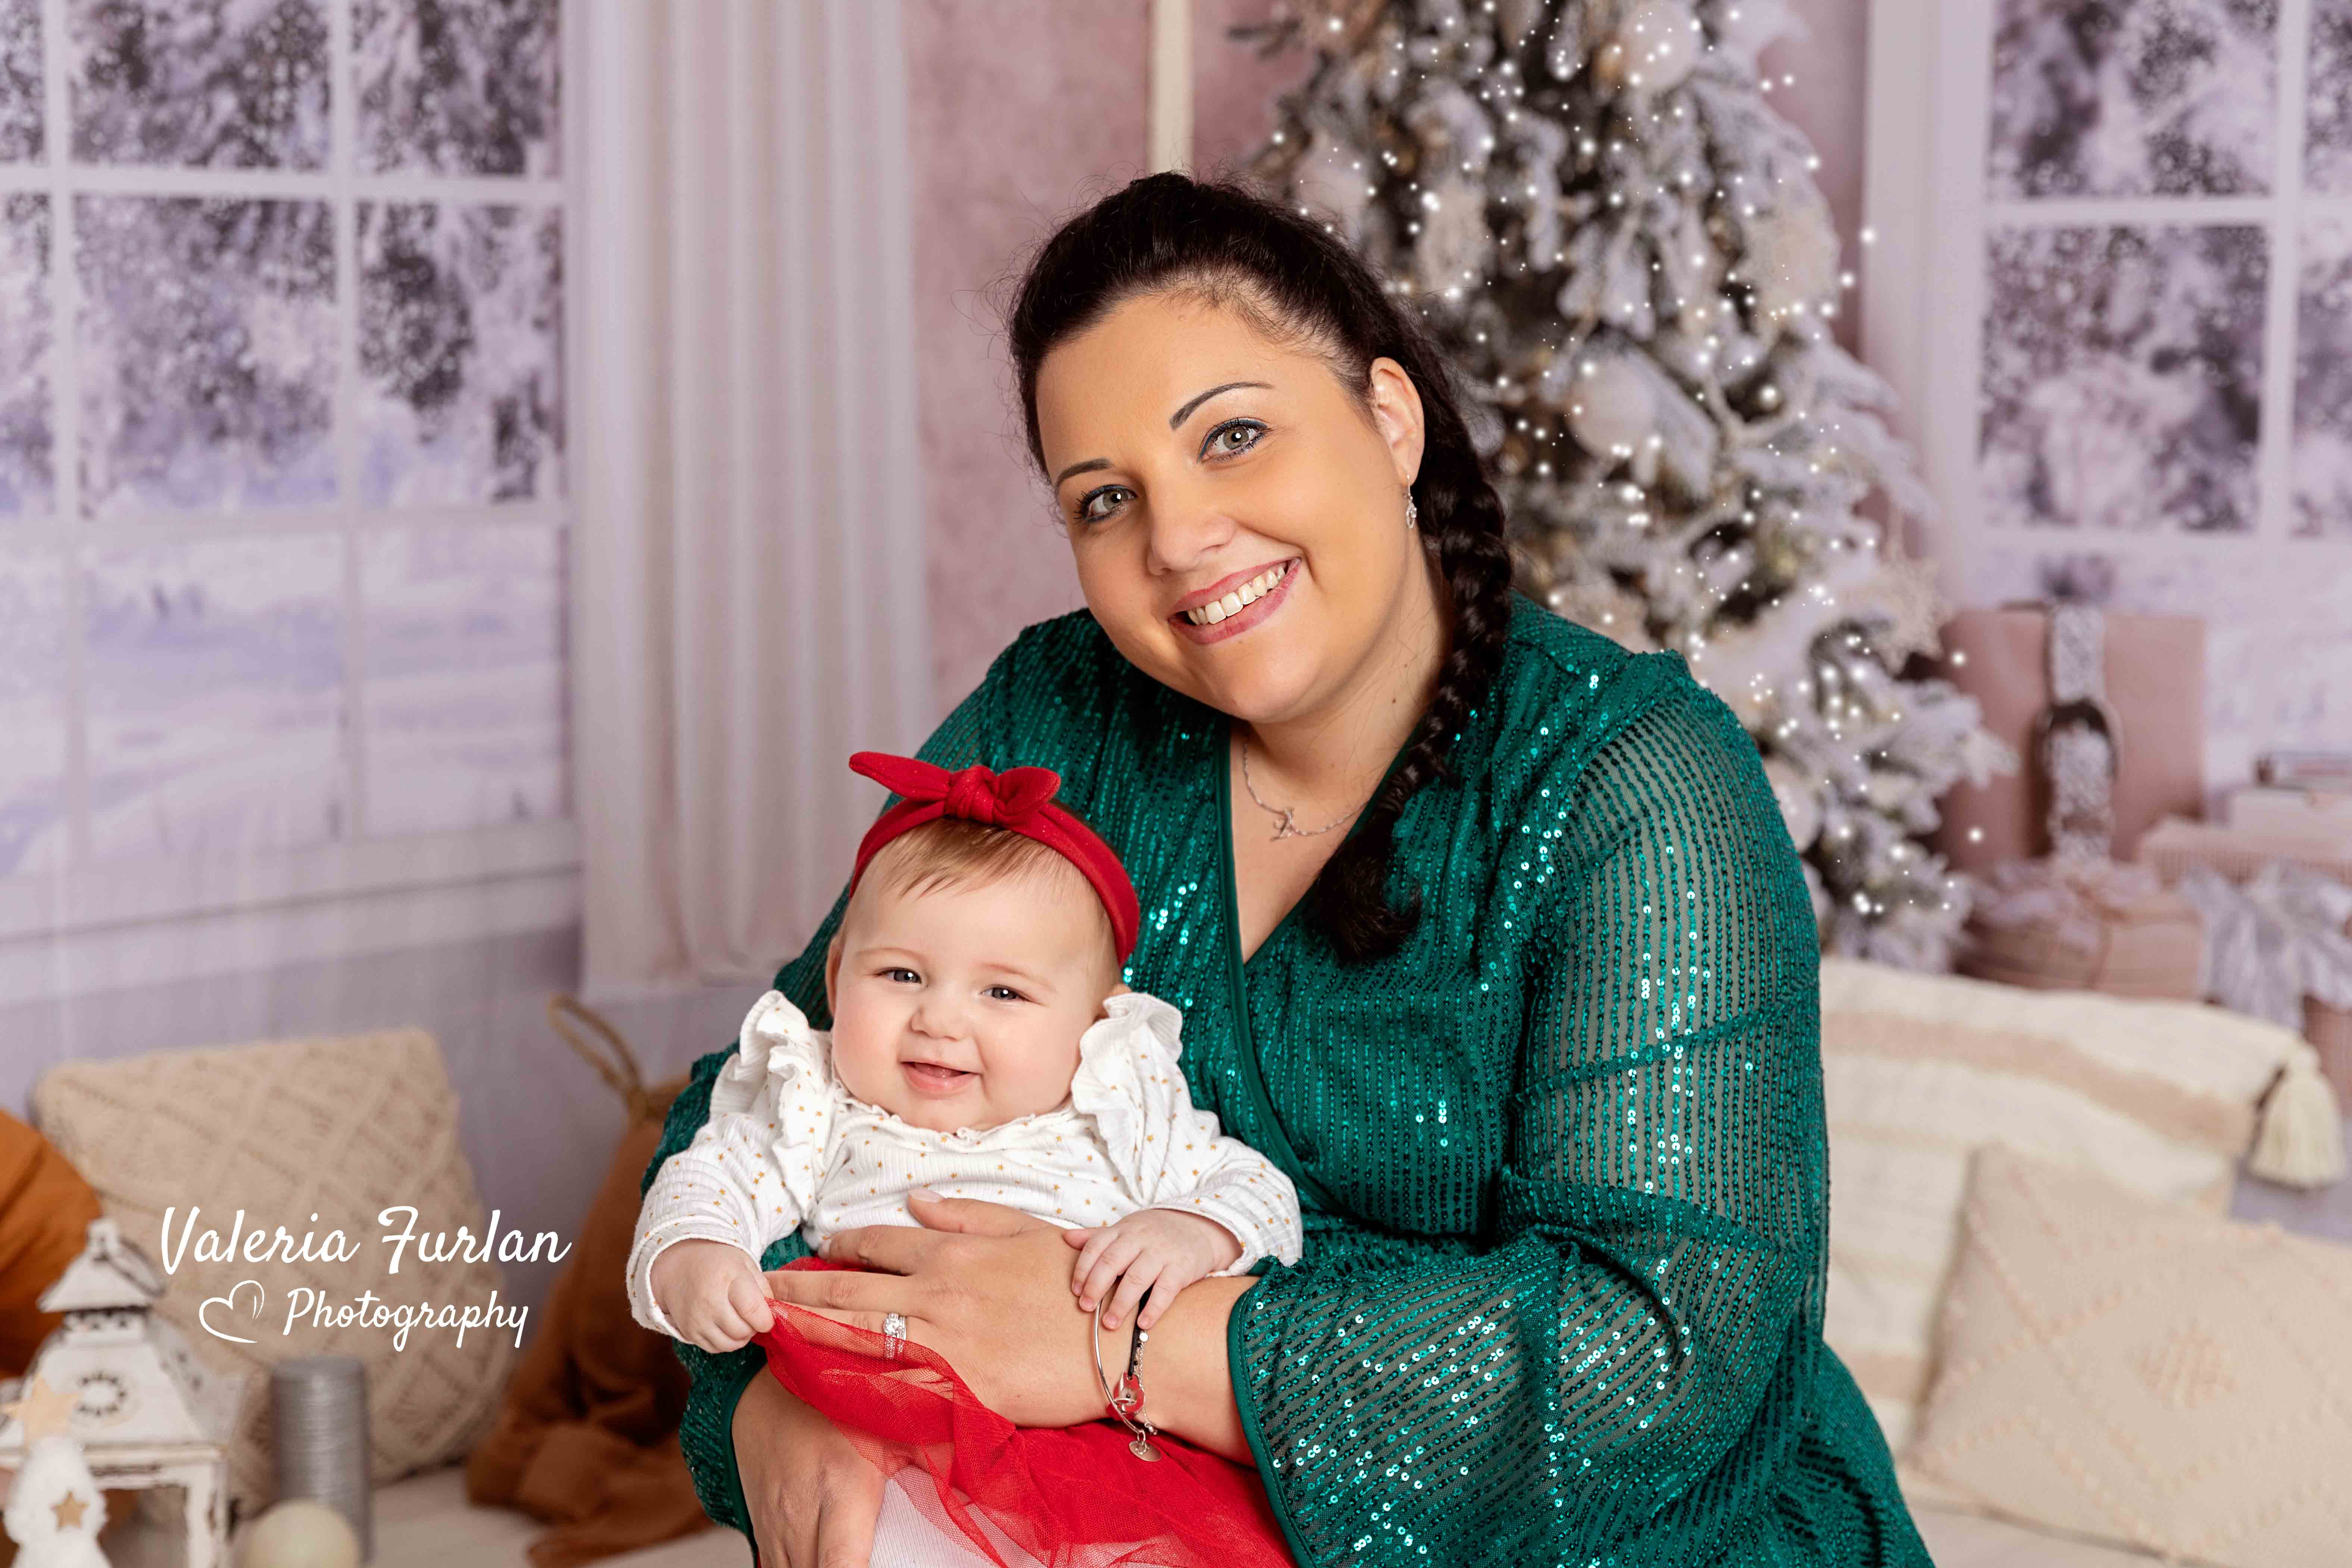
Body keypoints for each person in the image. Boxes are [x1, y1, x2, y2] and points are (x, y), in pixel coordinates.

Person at [640, 172, 1932, 1567]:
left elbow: (1661, 1355)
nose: (1179, 541)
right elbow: (779, 1091)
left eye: (1234, 436)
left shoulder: (1635, 781)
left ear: (1388, 417)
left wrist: (1127, 1343)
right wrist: (779, 1394)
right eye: (1104, 499)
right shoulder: (1057, 717)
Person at [627, 749, 1302, 1565]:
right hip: (888, 1431)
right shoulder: (819, 1107)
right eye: (904, 974)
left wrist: (1192, 1229)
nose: (939, 1019)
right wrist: (695, 1252)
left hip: (1095, 1445)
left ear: (1098, 1022)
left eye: (1002, 992)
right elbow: (711, 1176)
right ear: (836, 979)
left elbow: (1260, 1193)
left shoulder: (1120, 1115)